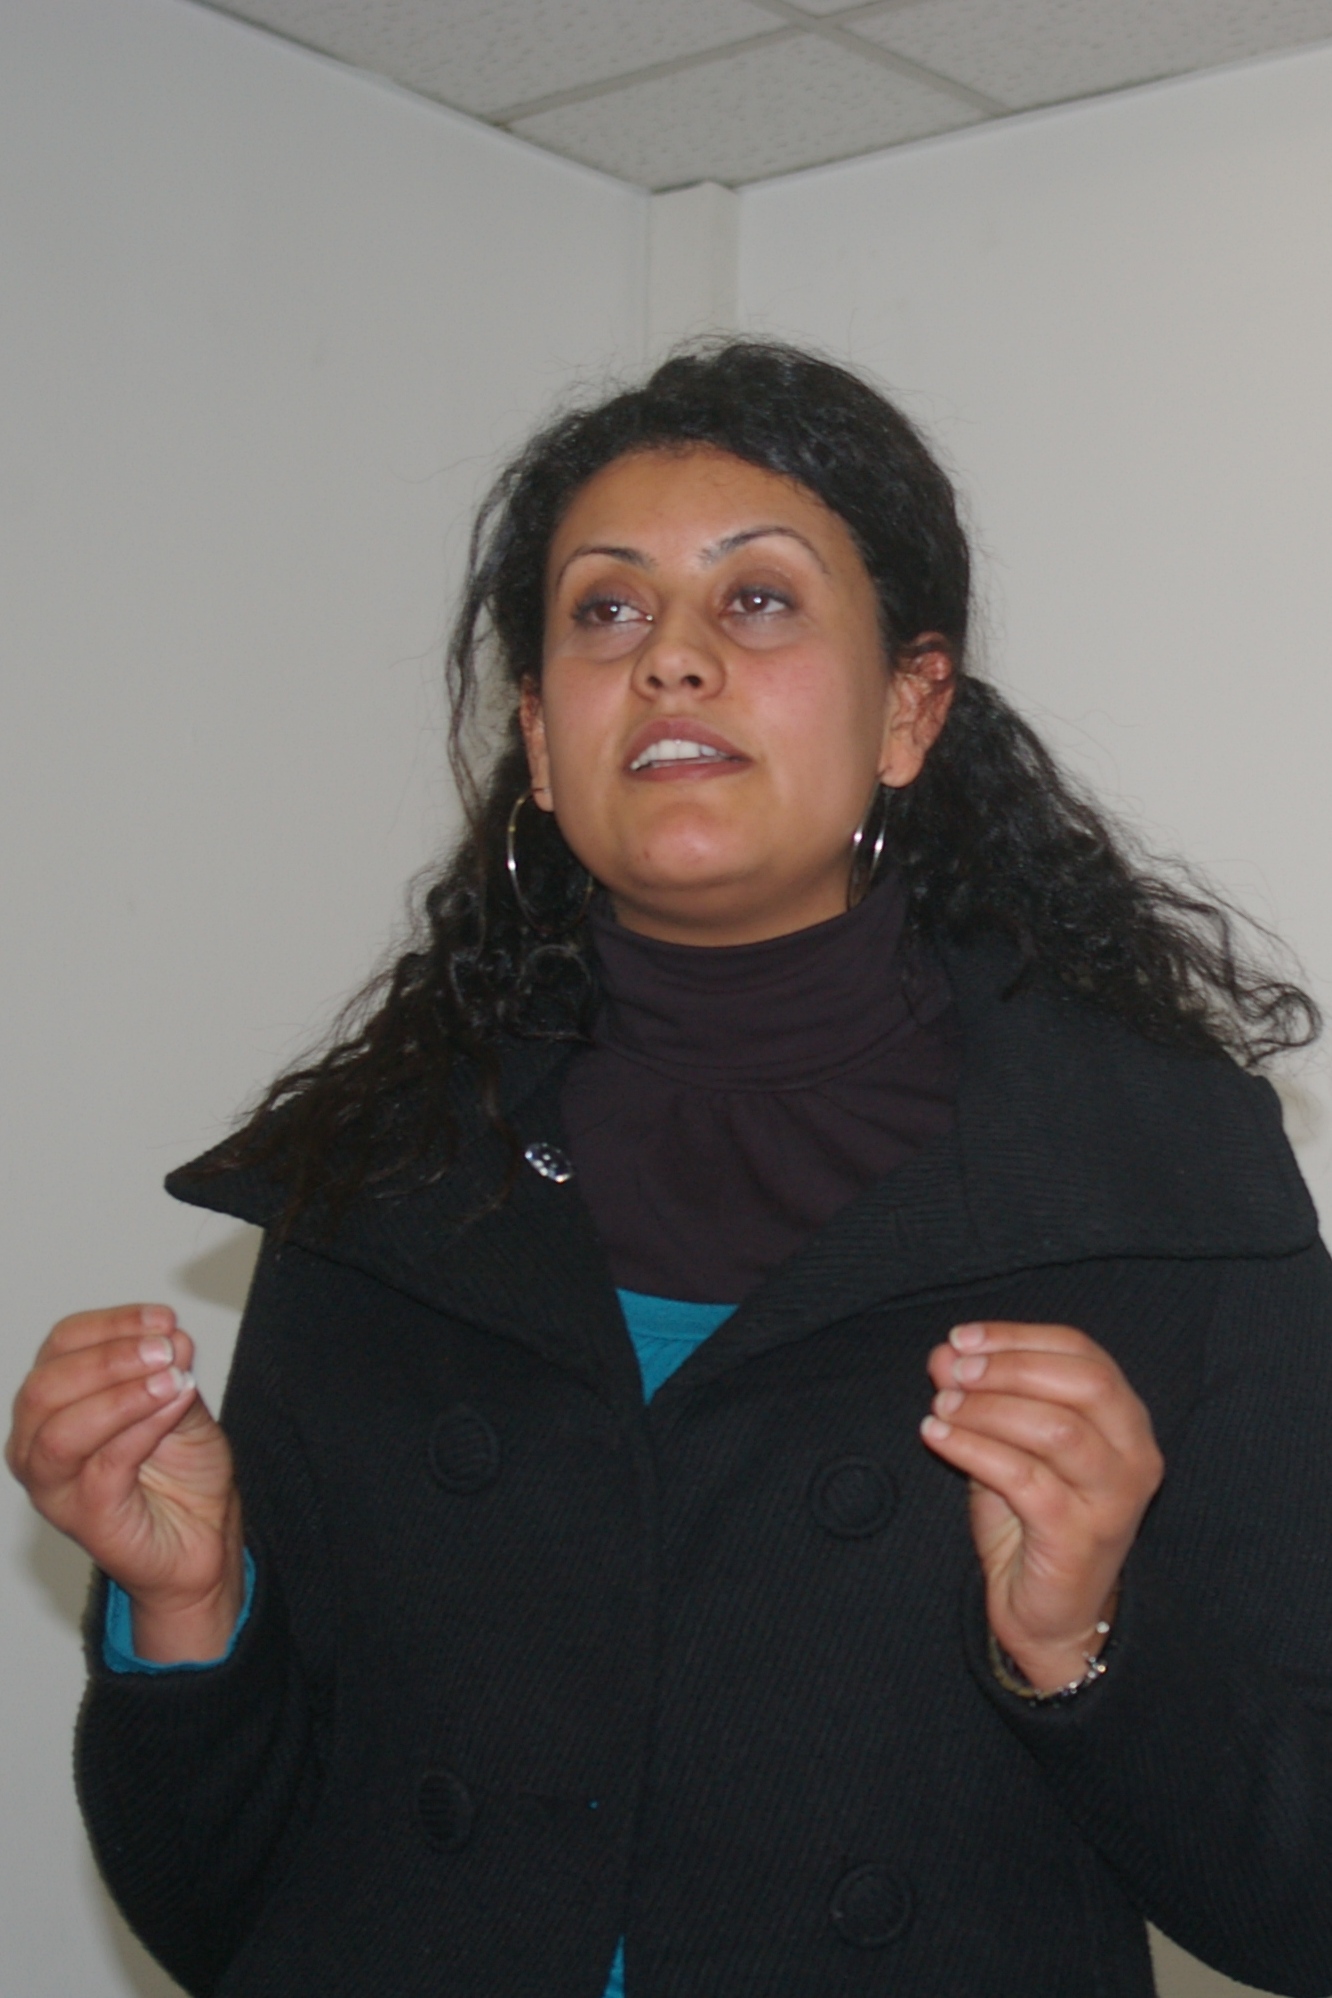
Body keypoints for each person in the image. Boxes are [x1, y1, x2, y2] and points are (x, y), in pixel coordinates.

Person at [7, 340, 1332, 1998]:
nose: (673, 658)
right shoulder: (390, 1176)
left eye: (758, 601)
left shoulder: (1164, 1186)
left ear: (910, 708)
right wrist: (192, 1609)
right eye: (608, 611)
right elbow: (227, 1912)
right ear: (539, 735)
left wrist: (1082, 1645)